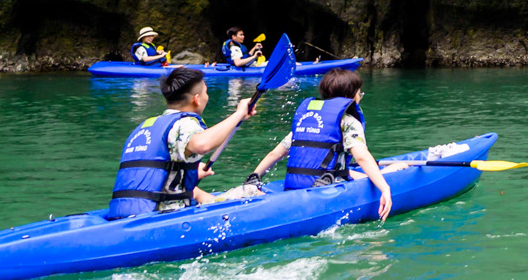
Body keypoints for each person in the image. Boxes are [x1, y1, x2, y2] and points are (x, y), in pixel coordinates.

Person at [245, 68, 407, 221]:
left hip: (296, 185)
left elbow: (275, 154)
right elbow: (362, 157)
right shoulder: (348, 121)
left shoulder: (306, 120)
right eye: (359, 94)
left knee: (349, 171)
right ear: (350, 96)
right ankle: (388, 172)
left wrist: (254, 178)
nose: (359, 97)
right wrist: (385, 189)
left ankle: (388, 170)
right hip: (328, 187)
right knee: (358, 174)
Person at [105, 67, 259, 218]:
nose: (207, 97)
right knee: (253, 191)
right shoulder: (184, 123)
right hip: (158, 217)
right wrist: (238, 114)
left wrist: (191, 172)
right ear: (197, 99)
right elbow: (202, 144)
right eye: (206, 93)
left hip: (122, 213)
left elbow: (152, 170)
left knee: (198, 193)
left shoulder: (145, 127)